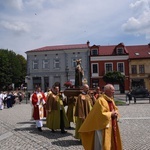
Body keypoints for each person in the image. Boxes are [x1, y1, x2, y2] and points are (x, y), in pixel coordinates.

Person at [78, 84, 122, 150]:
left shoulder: (111, 99)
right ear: (107, 91)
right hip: (102, 126)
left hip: (111, 124)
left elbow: (115, 108)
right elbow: (101, 114)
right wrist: (111, 114)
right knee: (103, 144)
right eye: (112, 90)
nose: (114, 92)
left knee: (111, 142)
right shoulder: (101, 100)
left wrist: (116, 113)